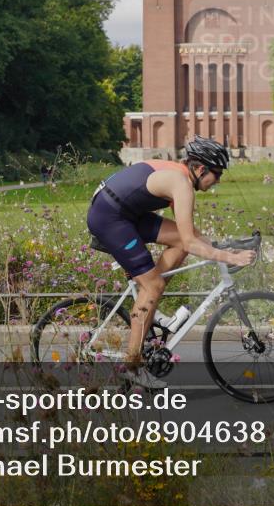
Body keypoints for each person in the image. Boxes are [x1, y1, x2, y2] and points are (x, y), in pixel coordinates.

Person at [86, 137, 256, 388]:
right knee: (153, 286)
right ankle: (132, 367)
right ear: (201, 170)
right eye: (217, 174)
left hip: (123, 211)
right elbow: (191, 243)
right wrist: (231, 258)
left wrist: (221, 248)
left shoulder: (179, 175)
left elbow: (189, 235)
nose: (218, 180)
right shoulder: (182, 185)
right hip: (110, 218)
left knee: (172, 249)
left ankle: (151, 308)